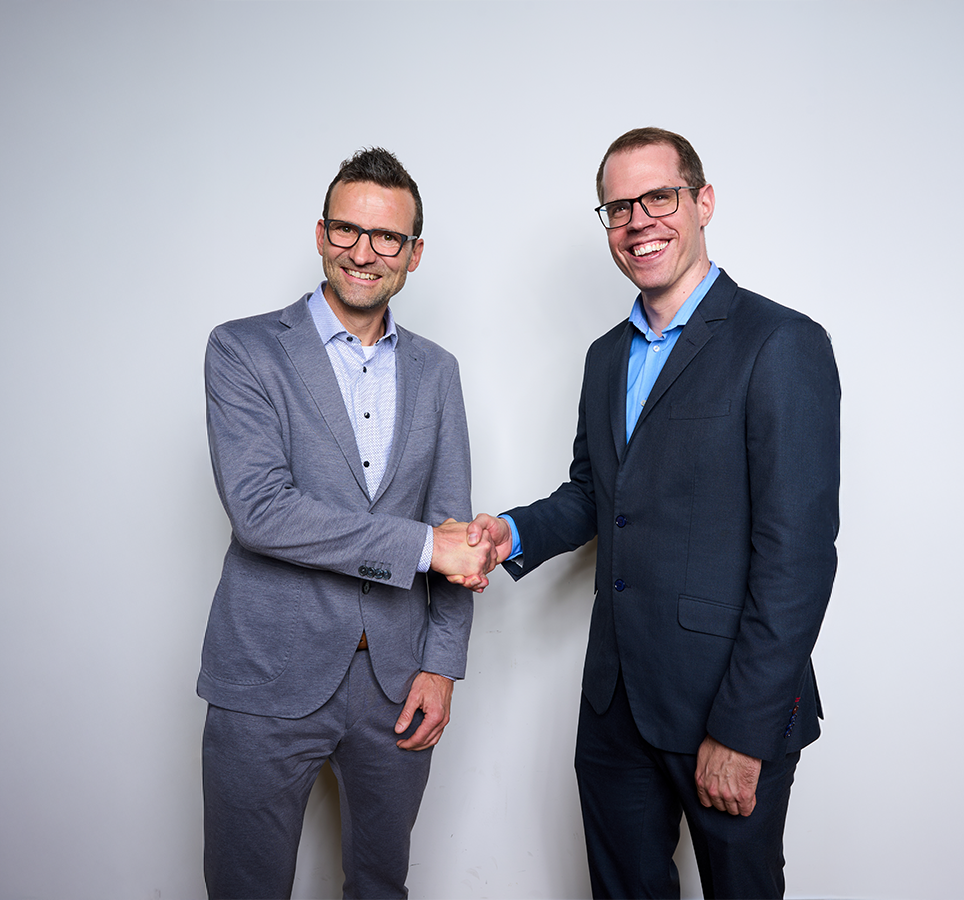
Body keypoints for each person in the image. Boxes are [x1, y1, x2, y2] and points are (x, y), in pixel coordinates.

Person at [468, 127, 840, 900]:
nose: (639, 222)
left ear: (703, 202)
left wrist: (742, 729)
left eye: (659, 197)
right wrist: (512, 532)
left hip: (726, 707)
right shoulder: (606, 357)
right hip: (615, 707)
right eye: (618, 208)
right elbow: (594, 494)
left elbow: (798, 557)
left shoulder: (781, 343)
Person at [198, 147, 494, 899]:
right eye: (347, 230)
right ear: (321, 234)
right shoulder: (243, 350)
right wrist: (425, 548)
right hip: (266, 675)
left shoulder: (437, 371)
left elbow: (452, 523)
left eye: (387, 237)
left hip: (397, 684)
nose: (364, 252)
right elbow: (262, 511)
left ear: (413, 253)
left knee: (380, 886)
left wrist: (442, 667)